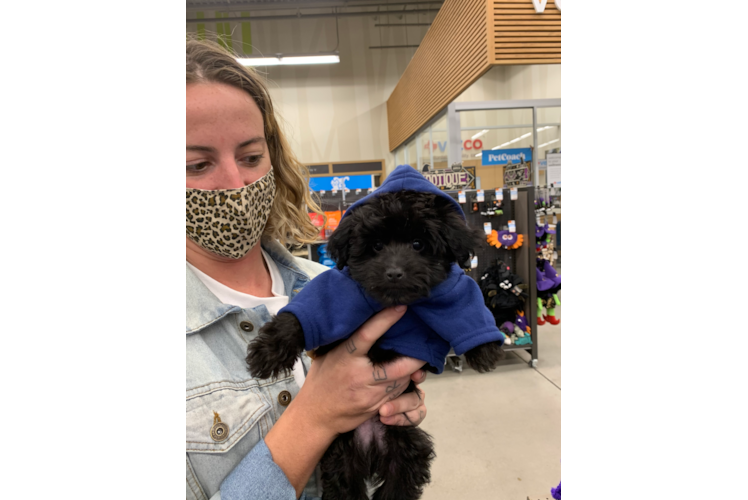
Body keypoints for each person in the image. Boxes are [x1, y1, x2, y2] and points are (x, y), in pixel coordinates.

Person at [186, 38, 429, 500]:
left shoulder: (329, 283)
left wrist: (391, 400)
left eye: (252, 157)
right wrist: (316, 415)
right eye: (197, 164)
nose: (235, 185)